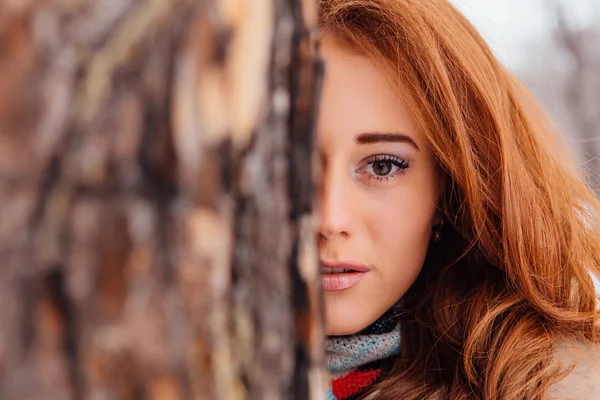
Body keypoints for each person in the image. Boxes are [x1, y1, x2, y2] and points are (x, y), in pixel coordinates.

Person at [315, 1, 600, 399]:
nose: (328, 219)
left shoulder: (548, 385)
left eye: (382, 166)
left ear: (448, 188)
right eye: (286, 169)